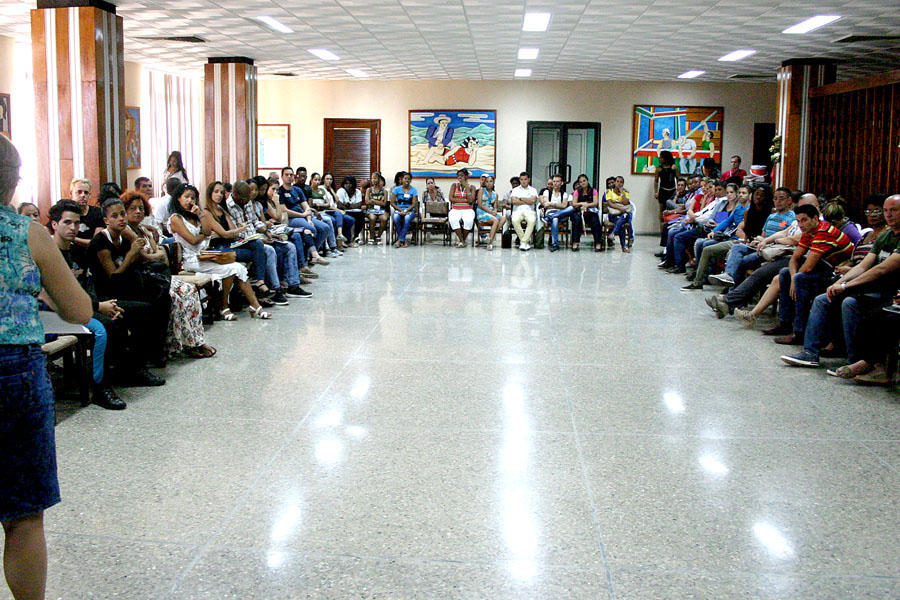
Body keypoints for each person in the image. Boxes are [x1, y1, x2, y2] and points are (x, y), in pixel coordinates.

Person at [1, 134, 92, 600]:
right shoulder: (27, 234)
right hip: (11, 372)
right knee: (22, 513)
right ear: (14, 182)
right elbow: (78, 311)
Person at [781, 195, 900, 369]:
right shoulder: (886, 236)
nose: (888, 214)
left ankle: (853, 360)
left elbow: (880, 269)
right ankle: (810, 353)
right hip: (866, 284)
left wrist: (845, 286)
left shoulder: (828, 231)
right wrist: (839, 284)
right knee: (823, 297)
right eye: (886, 210)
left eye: (893, 210)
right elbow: (862, 266)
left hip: (888, 292)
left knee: (848, 303)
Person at [122, 191, 217, 358]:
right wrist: (154, 256)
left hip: (157, 274)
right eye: (132, 209)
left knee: (189, 291)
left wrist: (153, 256)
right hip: (142, 277)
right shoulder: (126, 231)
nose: (138, 212)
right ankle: (178, 344)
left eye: (141, 208)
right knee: (175, 296)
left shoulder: (144, 230)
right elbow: (146, 256)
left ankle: (196, 341)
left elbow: (159, 255)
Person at [87, 197, 173, 367]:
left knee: (163, 298)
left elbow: (139, 263)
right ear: (106, 220)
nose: (121, 219)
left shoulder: (124, 239)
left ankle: (156, 352)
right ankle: (135, 365)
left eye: (122, 214)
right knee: (145, 309)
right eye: (114, 216)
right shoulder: (101, 244)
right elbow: (113, 277)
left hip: (125, 288)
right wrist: (131, 254)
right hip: (106, 294)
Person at [169, 182, 272, 321]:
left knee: (235, 267)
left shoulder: (195, 215)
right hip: (192, 260)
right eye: (187, 197)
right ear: (178, 198)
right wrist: (203, 236)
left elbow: (206, 231)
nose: (190, 201)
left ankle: (248, 305)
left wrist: (200, 215)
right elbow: (193, 240)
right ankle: (228, 306)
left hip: (206, 254)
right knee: (235, 268)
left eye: (193, 198)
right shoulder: (176, 218)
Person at [768, 203, 854, 345]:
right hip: (825, 269)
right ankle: (785, 324)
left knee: (801, 278)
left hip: (839, 274)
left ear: (815, 219)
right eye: (798, 221)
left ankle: (799, 332)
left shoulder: (823, 232)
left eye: (804, 220)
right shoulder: (809, 232)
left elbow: (808, 267)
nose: (801, 224)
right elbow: (795, 259)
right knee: (785, 273)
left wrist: (795, 280)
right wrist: (793, 277)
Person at [275, 167, 330, 265]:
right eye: (286, 175)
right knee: (311, 229)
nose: (289, 177)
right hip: (292, 219)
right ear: (282, 177)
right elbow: (285, 210)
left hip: (304, 216)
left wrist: (308, 218)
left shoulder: (297, 190)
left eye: (291, 175)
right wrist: (303, 215)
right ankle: (314, 255)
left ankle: (312, 253)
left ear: (294, 177)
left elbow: (306, 207)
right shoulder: (280, 191)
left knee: (324, 227)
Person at [69, 178, 105, 266]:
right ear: (71, 193)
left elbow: (95, 242)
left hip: (92, 258)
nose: (83, 195)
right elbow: (48, 231)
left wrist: (72, 239)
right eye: (79, 192)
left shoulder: (97, 212)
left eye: (86, 193)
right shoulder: (65, 212)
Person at [540, 174, 573, 252]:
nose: (555, 183)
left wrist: (552, 204)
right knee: (555, 219)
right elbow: (546, 205)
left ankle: (550, 218)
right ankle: (555, 244)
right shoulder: (547, 192)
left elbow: (564, 205)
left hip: (561, 213)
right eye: (554, 181)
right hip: (551, 212)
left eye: (557, 181)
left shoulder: (564, 194)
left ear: (562, 183)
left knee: (571, 208)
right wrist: (558, 206)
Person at [509, 172, 539, 251]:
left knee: (532, 221)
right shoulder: (515, 190)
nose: (523, 181)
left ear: (529, 180)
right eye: (521, 179)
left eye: (525, 179)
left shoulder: (533, 190)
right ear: (520, 180)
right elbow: (514, 201)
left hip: (529, 211)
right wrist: (527, 200)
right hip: (517, 211)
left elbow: (533, 201)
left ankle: (523, 242)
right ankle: (525, 242)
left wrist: (520, 199)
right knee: (514, 220)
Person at [654, 150, 678, 246]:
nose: (660, 159)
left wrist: (678, 192)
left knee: (671, 210)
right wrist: (655, 192)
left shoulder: (674, 167)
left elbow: (678, 178)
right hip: (663, 191)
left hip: (672, 190)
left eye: (662, 157)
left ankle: (670, 229)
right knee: (662, 210)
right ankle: (662, 232)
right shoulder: (659, 169)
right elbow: (656, 181)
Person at [448, 168, 476, 247]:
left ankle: (461, 240)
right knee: (453, 219)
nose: (460, 178)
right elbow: (451, 198)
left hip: (468, 209)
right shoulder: (454, 185)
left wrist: (467, 188)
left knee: (468, 220)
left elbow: (471, 201)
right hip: (455, 209)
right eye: (458, 176)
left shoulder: (472, 187)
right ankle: (462, 241)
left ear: (466, 177)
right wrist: (464, 199)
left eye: (462, 176)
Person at [475, 175, 504, 251]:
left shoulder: (495, 194)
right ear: (484, 183)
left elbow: (495, 206)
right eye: (487, 181)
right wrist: (490, 212)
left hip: (490, 211)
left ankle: (490, 237)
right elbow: (480, 204)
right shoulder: (481, 190)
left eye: (491, 181)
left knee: (503, 219)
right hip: (482, 211)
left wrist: (494, 211)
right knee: (496, 220)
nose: (489, 183)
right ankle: (490, 242)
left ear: (493, 182)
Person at [605, 175, 633, 252]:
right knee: (622, 225)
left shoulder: (626, 192)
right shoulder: (609, 192)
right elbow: (610, 203)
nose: (619, 184)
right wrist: (620, 208)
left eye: (621, 182)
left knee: (624, 216)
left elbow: (626, 202)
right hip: (614, 214)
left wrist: (621, 193)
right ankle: (624, 247)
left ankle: (613, 233)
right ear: (615, 182)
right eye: (617, 181)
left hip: (623, 214)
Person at [390, 171, 418, 247]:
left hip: (409, 210)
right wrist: (401, 210)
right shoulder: (396, 189)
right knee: (396, 218)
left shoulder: (414, 190)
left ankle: (399, 240)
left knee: (407, 218)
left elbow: (414, 203)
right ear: (402, 179)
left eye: (409, 179)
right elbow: (392, 202)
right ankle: (403, 240)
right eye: (405, 178)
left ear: (411, 180)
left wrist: (405, 210)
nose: (407, 180)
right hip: (398, 209)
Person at [335, 176, 361, 247]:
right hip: (343, 211)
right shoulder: (341, 191)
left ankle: (355, 236)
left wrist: (347, 205)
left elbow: (358, 205)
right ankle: (347, 239)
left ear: (353, 184)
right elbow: (339, 205)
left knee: (360, 216)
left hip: (355, 212)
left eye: (350, 183)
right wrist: (351, 205)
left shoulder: (358, 192)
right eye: (346, 183)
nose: (348, 185)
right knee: (349, 218)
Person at [365, 172, 389, 244]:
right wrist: (378, 202)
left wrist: (373, 200)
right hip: (371, 209)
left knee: (384, 218)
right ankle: (372, 237)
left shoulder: (384, 191)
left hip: (381, 209)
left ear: (379, 179)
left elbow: (384, 203)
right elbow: (367, 202)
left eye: (375, 178)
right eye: (372, 178)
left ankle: (378, 236)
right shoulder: (369, 190)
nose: (373, 180)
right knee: (372, 218)